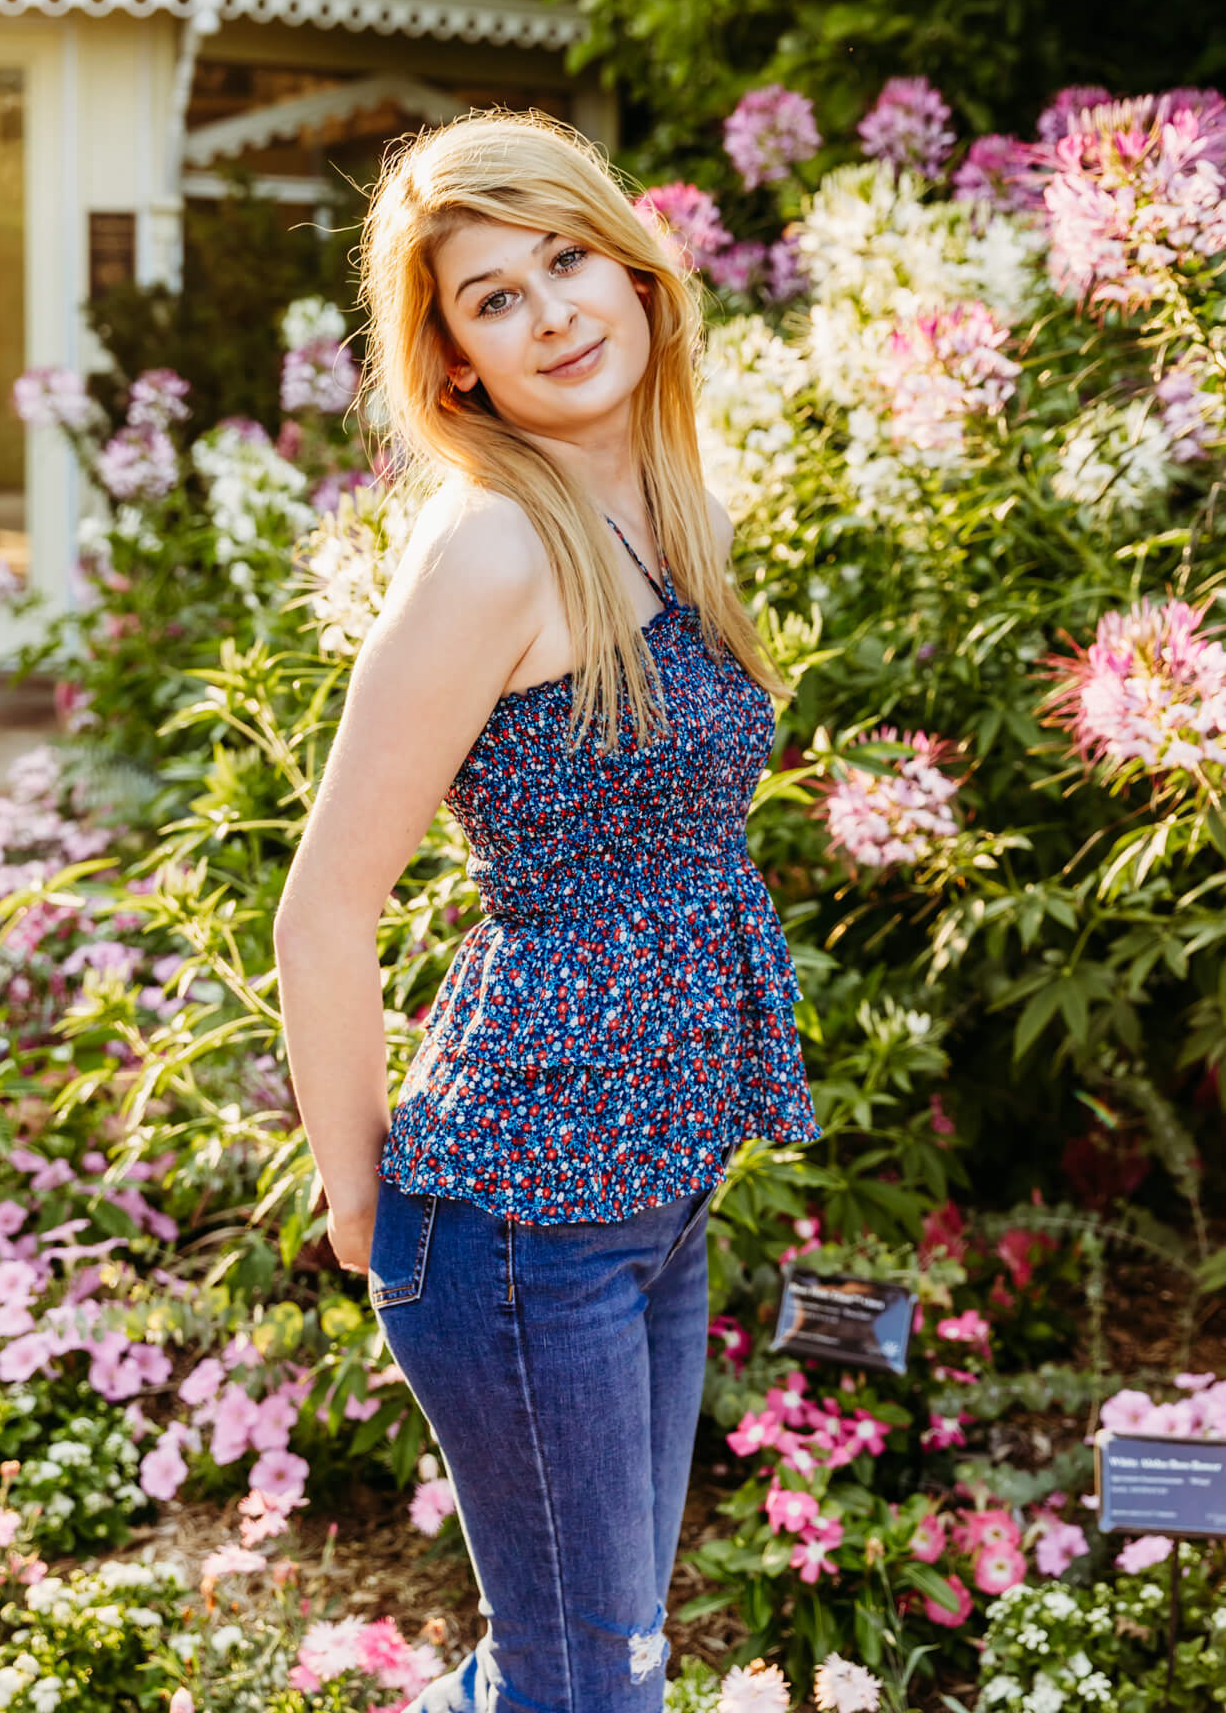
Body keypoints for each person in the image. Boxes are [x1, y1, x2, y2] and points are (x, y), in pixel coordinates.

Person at [274, 110, 820, 1712]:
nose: (552, 313)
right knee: (593, 1685)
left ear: (637, 269)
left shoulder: (661, 509)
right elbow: (323, 911)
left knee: (586, 1669)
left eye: (565, 260)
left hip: (648, 1196)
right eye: (492, 298)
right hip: (516, 1221)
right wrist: (358, 1198)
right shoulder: (496, 550)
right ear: (453, 365)